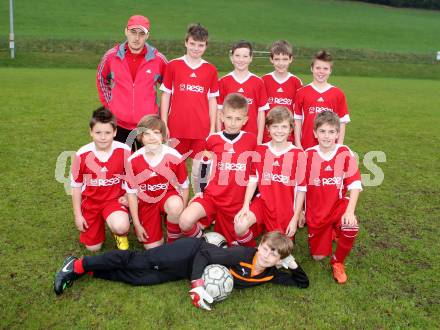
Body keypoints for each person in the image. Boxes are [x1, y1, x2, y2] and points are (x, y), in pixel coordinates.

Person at [54, 231, 309, 311]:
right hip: (190, 252)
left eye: (274, 254)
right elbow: (205, 253)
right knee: (139, 261)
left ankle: (90, 272)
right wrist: (198, 283)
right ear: (260, 245)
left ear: (280, 259)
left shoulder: (269, 274)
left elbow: (302, 283)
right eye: (265, 248)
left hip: (185, 270)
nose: (266, 255)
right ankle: (76, 265)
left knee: (142, 280)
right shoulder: (241, 254)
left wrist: (293, 265)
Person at [291, 111, 361, 284]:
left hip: (337, 206)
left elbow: (355, 185)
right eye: (322, 131)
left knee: (350, 225)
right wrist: (298, 213)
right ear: (315, 133)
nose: (327, 136)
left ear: (338, 133)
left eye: (331, 132)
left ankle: (338, 262)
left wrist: (350, 211)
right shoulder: (307, 155)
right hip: (316, 214)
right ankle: (329, 231)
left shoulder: (345, 152)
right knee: (317, 257)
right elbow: (301, 189)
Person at [179, 93, 257, 243]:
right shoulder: (212, 139)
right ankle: (201, 242)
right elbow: (204, 167)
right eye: (229, 118)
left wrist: (249, 202)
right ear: (221, 116)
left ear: (245, 120)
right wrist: (200, 191)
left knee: (239, 240)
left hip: (237, 201)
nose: (233, 123)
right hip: (212, 196)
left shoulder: (251, 140)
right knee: (185, 221)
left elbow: (255, 174)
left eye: (238, 119)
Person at [160, 23, 219, 194]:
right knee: (173, 166)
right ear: (186, 42)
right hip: (176, 127)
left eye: (200, 45)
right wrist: (164, 122)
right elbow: (166, 95)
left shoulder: (210, 69)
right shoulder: (173, 65)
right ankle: (175, 200)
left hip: (201, 128)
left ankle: (200, 200)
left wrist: (213, 128)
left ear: (206, 46)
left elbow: (212, 100)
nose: (196, 48)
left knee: (200, 169)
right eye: (192, 44)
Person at [234, 107, 306, 246]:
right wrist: (245, 205)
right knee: (239, 226)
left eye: (284, 127)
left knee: (279, 252)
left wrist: (295, 217)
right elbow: (253, 179)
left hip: (285, 210)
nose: (279, 131)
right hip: (263, 203)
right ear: (268, 128)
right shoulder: (260, 150)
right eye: (275, 126)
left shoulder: (298, 155)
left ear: (291, 129)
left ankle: (267, 241)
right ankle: (251, 250)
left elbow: (302, 189)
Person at [97, 15, 167, 149]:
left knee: (145, 166)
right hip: (119, 124)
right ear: (126, 31)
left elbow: (169, 88)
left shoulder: (158, 59)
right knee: (120, 166)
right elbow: (101, 79)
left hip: (147, 126)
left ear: (147, 36)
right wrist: (110, 105)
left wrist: (162, 115)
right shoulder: (111, 56)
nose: (136, 38)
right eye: (133, 32)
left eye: (141, 34)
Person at [70, 107, 131, 251]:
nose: (103, 137)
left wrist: (128, 196)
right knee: (93, 248)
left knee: (121, 226)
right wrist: (78, 215)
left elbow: (133, 181)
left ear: (115, 132)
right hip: (91, 202)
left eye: (107, 133)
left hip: (114, 201)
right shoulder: (82, 154)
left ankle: (120, 229)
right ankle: (98, 225)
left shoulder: (125, 151)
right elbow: (76, 186)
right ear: (91, 132)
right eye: (98, 132)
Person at [125, 115, 189, 249]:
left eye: (156, 133)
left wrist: (180, 215)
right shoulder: (133, 161)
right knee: (153, 248)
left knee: (175, 206)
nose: (151, 137)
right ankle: (154, 225)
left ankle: (173, 238)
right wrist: (137, 224)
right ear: (140, 137)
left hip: (168, 196)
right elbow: (131, 194)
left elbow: (184, 187)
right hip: (146, 202)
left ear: (163, 136)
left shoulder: (174, 156)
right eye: (146, 133)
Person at [294, 50, 350, 150]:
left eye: (325, 68)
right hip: (306, 145)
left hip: (330, 147)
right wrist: (298, 144)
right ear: (312, 68)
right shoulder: (301, 92)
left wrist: (339, 146)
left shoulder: (338, 93)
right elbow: (297, 120)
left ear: (330, 70)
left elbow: (342, 122)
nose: (321, 71)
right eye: (318, 68)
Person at [218, 40, 269, 144]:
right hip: (228, 136)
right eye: (237, 56)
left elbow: (261, 113)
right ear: (231, 58)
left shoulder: (258, 82)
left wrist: (259, 140)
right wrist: (219, 135)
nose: (241, 60)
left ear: (250, 58)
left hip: (251, 136)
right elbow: (219, 112)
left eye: (245, 56)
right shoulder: (223, 81)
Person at [261, 40, 303, 143]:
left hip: (288, 137)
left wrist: (297, 140)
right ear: (271, 59)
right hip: (266, 137)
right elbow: (260, 112)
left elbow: (298, 114)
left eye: (285, 59)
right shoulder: (263, 81)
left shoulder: (296, 82)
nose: (281, 63)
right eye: (277, 59)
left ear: (291, 59)